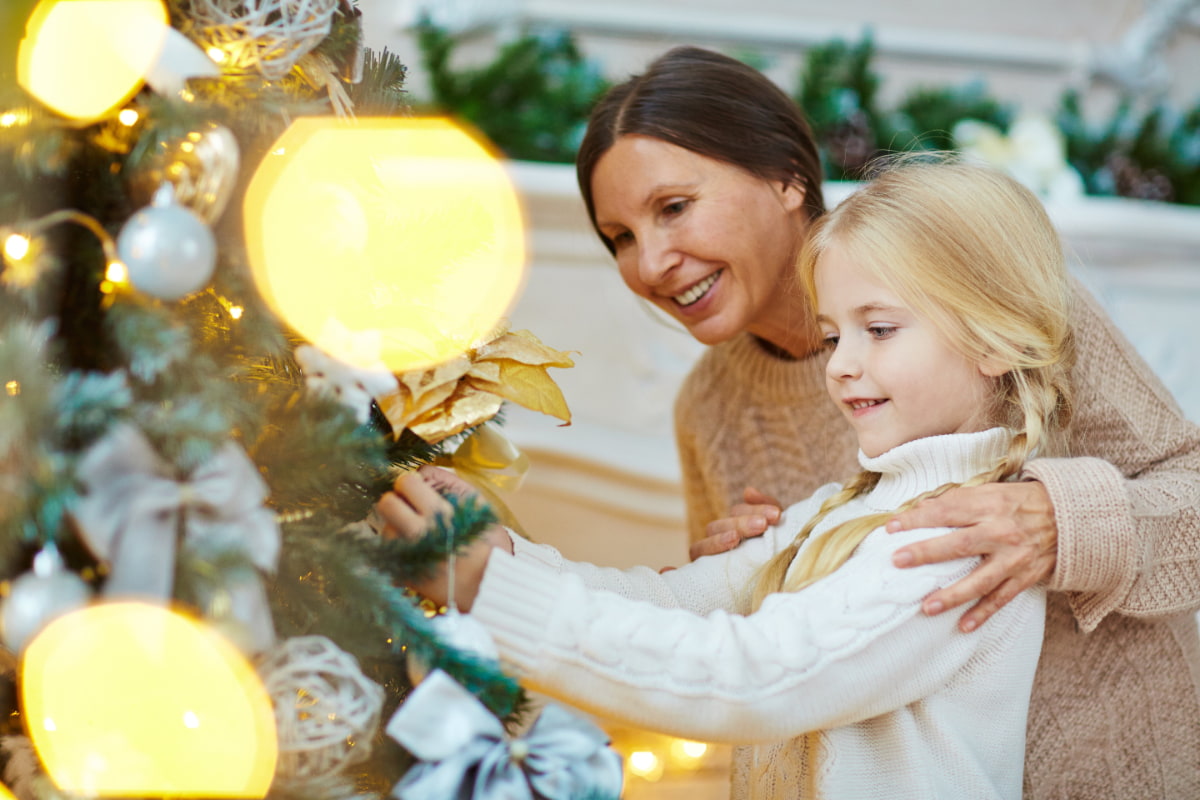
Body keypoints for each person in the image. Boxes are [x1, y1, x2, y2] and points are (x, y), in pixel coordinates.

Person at [572, 46, 1200, 798]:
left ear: (786, 177)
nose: (651, 263)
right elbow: (772, 665)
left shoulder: (963, 272)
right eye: (620, 239)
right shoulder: (708, 408)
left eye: (672, 208)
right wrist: (749, 572)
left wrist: (1061, 520)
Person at [379, 160, 1071, 799]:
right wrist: (504, 557)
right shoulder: (845, 507)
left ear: (993, 342)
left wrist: (492, 591)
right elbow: (678, 603)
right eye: (833, 337)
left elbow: (752, 676)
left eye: (880, 329)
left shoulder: (958, 540)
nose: (840, 365)